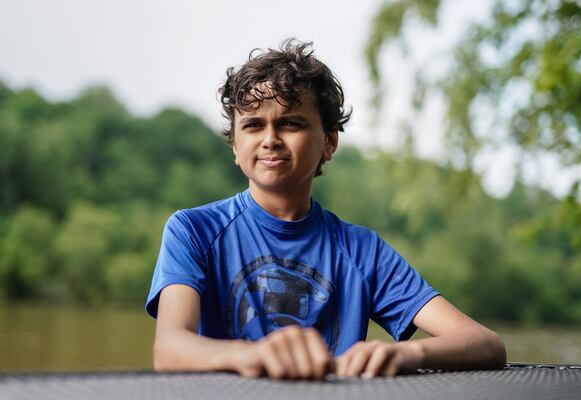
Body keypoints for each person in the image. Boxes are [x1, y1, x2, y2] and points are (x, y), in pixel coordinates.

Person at [146, 39, 506, 380]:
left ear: (329, 142)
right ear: (235, 147)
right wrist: (259, 356)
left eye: (290, 122)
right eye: (253, 125)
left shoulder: (362, 250)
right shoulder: (193, 230)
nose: (270, 138)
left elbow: (485, 343)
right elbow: (169, 350)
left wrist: (407, 355)